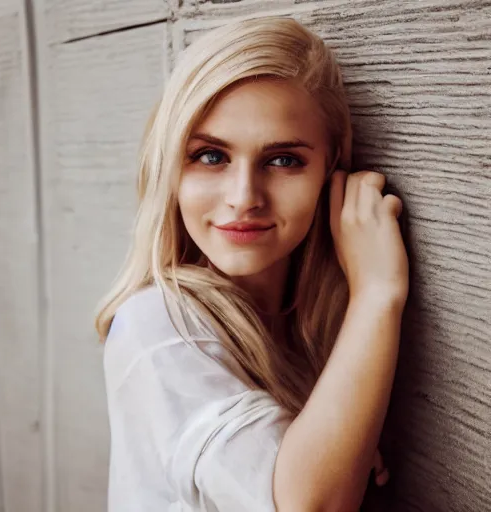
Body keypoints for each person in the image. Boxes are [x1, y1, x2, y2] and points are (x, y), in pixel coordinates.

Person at [95, 15, 409, 512]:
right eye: (211, 156)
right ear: (170, 168)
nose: (244, 198)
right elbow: (307, 505)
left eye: (283, 160)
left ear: (333, 171)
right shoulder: (156, 325)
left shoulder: (310, 334)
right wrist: (377, 294)